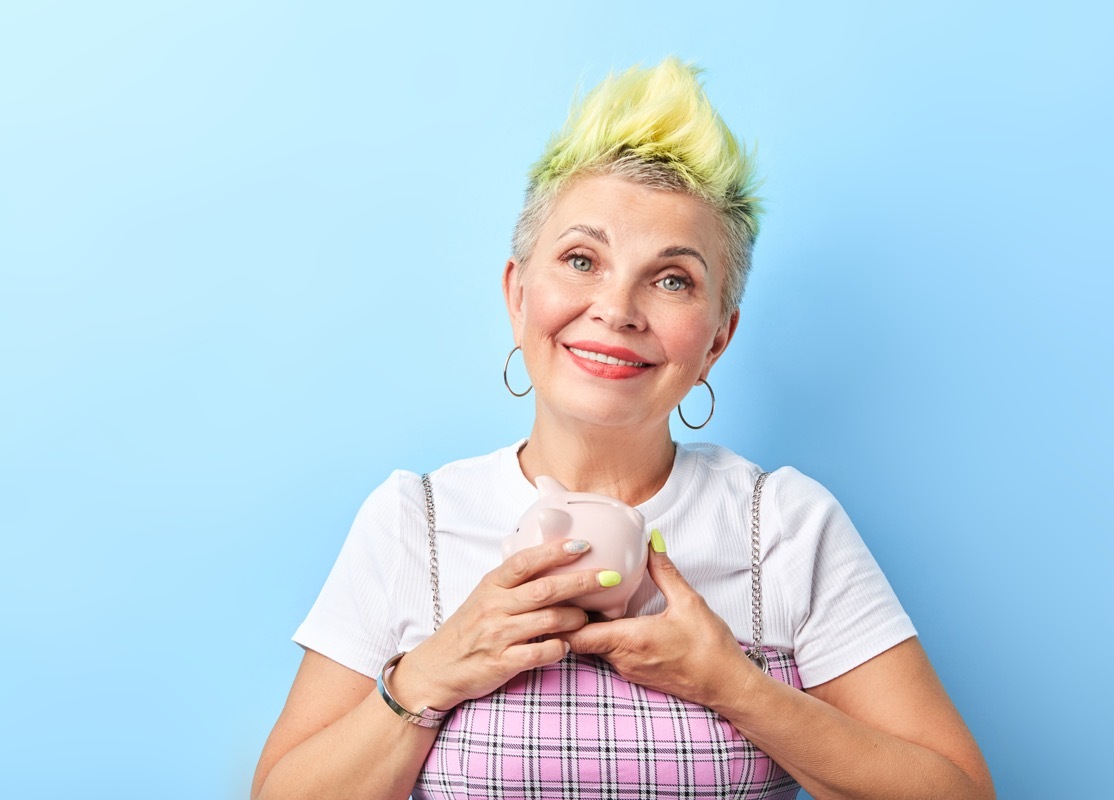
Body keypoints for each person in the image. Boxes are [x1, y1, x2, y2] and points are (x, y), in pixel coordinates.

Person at [252, 59, 994, 800]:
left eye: (673, 279)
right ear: (518, 294)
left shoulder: (786, 527)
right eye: (582, 260)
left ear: (717, 340)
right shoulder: (414, 522)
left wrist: (733, 685)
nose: (617, 308)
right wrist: (428, 673)